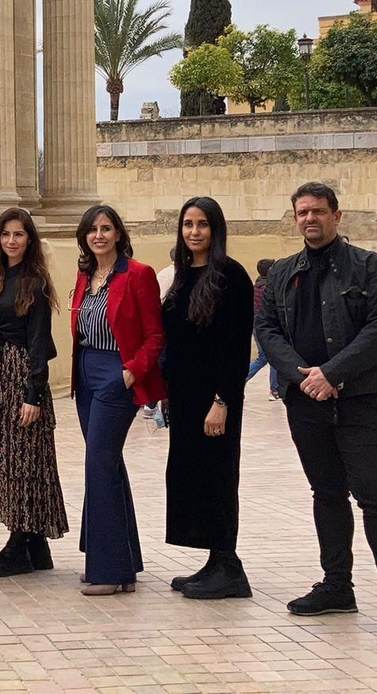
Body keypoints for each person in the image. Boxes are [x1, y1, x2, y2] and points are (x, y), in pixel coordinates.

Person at [255, 181, 377, 639]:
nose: (310, 219)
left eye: (318, 211)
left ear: (337, 215)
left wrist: (333, 373)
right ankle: (337, 586)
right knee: (326, 493)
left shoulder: (369, 266)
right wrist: (302, 376)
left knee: (375, 496)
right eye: (302, 212)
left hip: (360, 399)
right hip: (305, 402)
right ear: (294, 218)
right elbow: (267, 328)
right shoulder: (283, 273)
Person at [0, 207, 66, 577]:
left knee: (22, 460)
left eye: (19, 234)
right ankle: (35, 546)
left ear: (29, 240)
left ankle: (19, 543)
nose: (11, 241)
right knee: (4, 458)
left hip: (19, 377)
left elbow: (39, 341)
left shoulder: (34, 282)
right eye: (6, 234)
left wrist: (33, 394)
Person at [161, 196, 255, 599]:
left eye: (202, 224)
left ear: (215, 230)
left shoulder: (231, 276)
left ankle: (230, 567)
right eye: (187, 224)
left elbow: (236, 347)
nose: (194, 232)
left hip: (215, 398)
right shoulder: (182, 275)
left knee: (218, 477)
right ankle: (214, 561)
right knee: (191, 476)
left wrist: (222, 401)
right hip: (183, 397)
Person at [69, 203, 164, 596]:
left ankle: (108, 570)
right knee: (107, 465)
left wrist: (130, 372)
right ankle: (122, 561)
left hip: (116, 374)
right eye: (92, 229)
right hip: (86, 375)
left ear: (119, 234)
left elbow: (156, 336)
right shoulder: (84, 274)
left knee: (98, 465)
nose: (99, 235)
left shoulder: (138, 274)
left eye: (107, 228)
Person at [244, 259, 279, 400]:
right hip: (266, 326)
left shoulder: (256, 286)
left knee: (265, 357)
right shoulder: (268, 288)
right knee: (271, 357)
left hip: (256, 326)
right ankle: (275, 390)